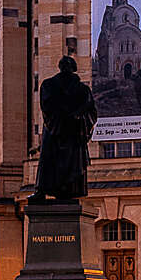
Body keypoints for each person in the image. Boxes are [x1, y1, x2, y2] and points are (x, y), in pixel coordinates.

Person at [33, 56, 99, 202]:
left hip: (68, 131)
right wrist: (69, 117)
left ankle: (58, 191)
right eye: (64, 66)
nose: (66, 69)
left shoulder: (81, 89)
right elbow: (46, 106)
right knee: (48, 160)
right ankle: (42, 190)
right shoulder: (51, 85)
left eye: (68, 66)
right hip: (60, 130)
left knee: (59, 162)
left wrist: (77, 118)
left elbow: (91, 112)